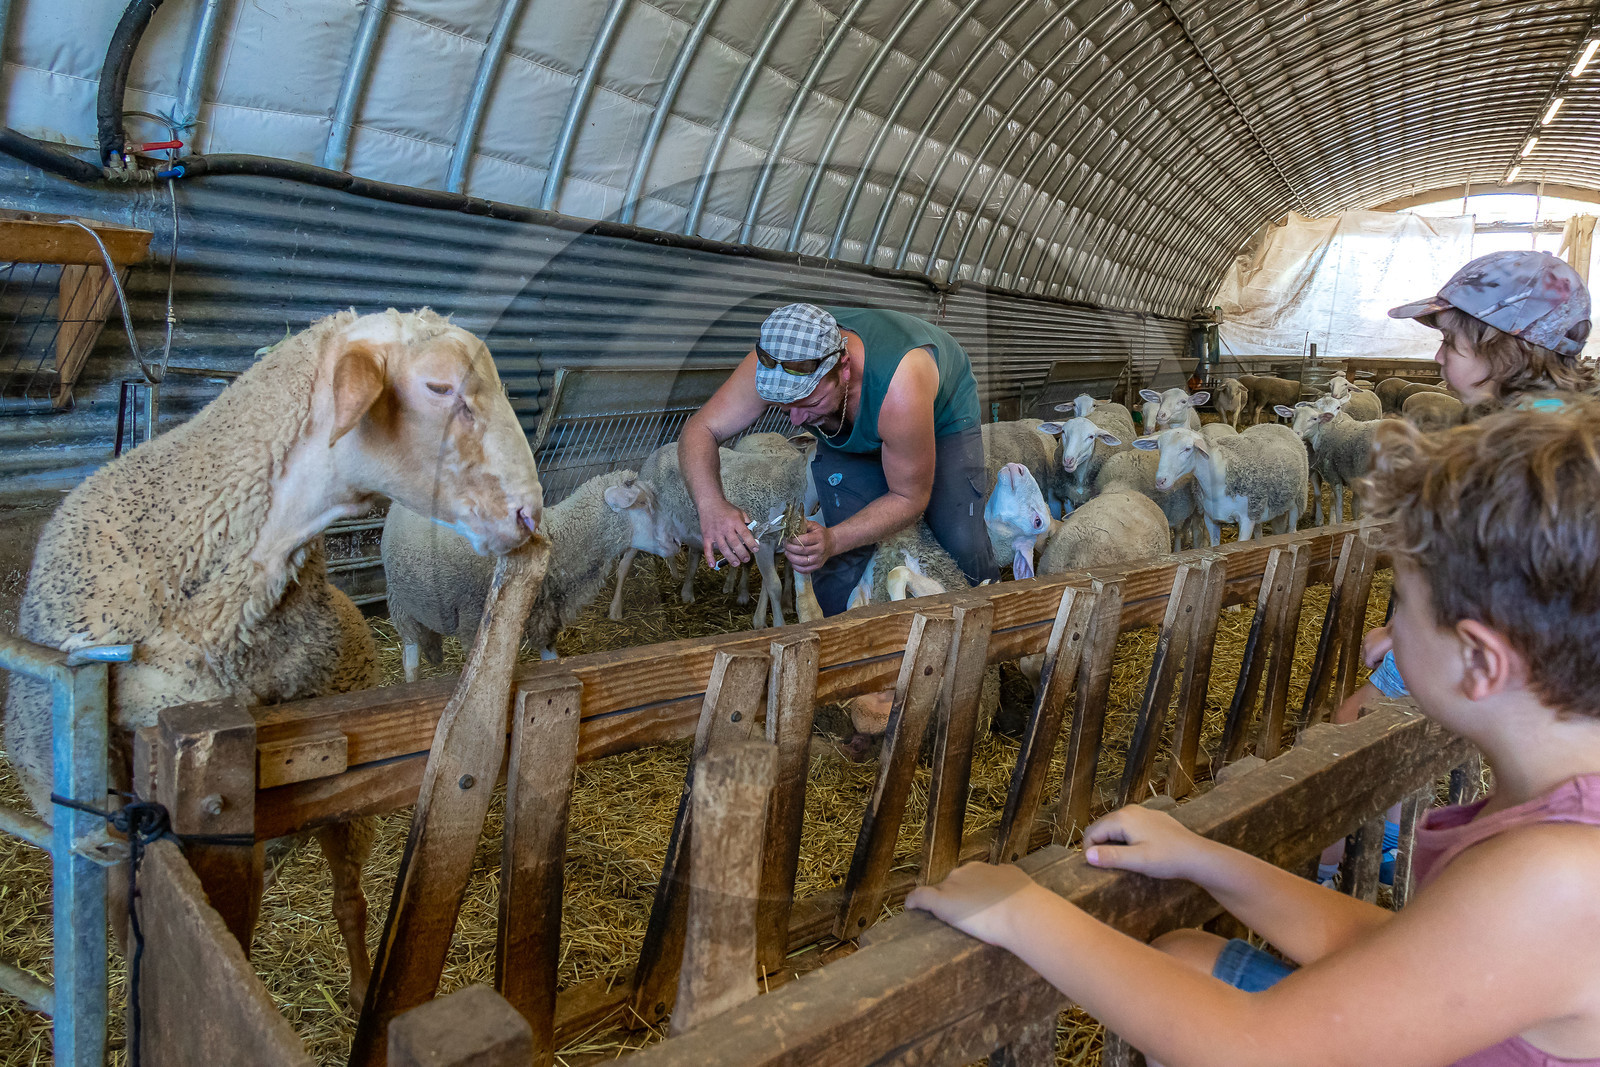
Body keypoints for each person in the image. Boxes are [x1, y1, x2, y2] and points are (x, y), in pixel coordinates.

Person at [909, 400, 1600, 1066]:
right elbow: (1397, 947)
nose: (1379, 637)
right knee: (1183, 956)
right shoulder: (1548, 806)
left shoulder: (1559, 875)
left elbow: (1255, 1044)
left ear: (1480, 661)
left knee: (1194, 994)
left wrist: (1023, 911)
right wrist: (1208, 859)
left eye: (1403, 610)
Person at [1319, 250, 1593, 882]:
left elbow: (1505, 564)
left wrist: (1407, 639)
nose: (1438, 357)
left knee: (1352, 739)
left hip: (1492, 639)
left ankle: (1332, 865)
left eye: (1451, 340)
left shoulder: (1514, 447)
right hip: (1533, 646)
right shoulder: (1563, 426)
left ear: (1507, 344)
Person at [678, 302, 996, 616]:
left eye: (810, 401)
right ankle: (852, 643)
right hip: (850, 418)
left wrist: (834, 538)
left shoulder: (901, 382)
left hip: (942, 417)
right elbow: (700, 429)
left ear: (844, 368)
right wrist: (711, 507)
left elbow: (909, 497)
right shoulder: (774, 365)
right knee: (838, 564)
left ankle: (989, 622)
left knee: (959, 538)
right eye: (784, 406)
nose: (796, 420)